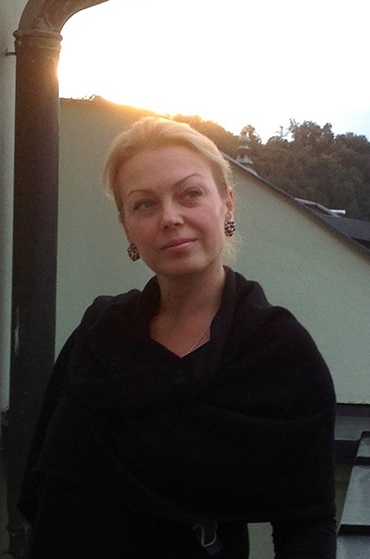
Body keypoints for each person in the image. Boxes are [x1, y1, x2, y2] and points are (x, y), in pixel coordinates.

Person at [18, 117, 337, 558]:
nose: (170, 218)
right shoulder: (99, 336)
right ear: (127, 227)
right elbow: (49, 492)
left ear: (227, 204)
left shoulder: (278, 352)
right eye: (144, 204)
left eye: (190, 194)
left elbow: (307, 522)